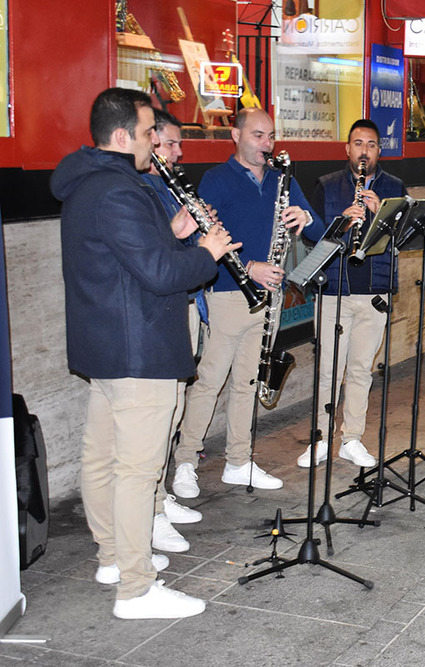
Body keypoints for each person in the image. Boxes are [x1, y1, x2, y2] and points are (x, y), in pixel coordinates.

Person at [52, 87, 236, 618]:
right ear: (120, 136)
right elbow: (158, 275)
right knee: (136, 470)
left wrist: (174, 232)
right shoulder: (120, 191)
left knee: (102, 457)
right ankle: (136, 588)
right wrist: (205, 252)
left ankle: (112, 557)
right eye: (149, 130)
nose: (156, 139)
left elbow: (131, 259)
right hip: (140, 352)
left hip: (106, 347)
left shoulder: (90, 185)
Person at [173, 108, 316, 497]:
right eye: (257, 136)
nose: (266, 145)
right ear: (235, 135)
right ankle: (185, 461)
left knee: (247, 382)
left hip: (268, 298)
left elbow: (316, 227)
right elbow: (196, 238)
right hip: (227, 293)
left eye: (270, 137)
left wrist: (304, 215)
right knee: (210, 381)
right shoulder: (216, 179)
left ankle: (239, 460)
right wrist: (248, 266)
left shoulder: (282, 178)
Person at [295, 119, 408, 468]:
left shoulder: (395, 187)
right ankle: (320, 439)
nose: (364, 151)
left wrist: (380, 216)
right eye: (358, 144)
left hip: (374, 290)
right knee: (328, 370)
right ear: (348, 149)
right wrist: (343, 221)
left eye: (371, 145)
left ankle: (351, 439)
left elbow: (403, 240)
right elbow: (311, 239)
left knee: (361, 370)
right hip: (335, 289)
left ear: (379, 150)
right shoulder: (327, 186)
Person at [138, 109, 204, 553]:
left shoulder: (165, 186)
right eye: (169, 143)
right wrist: (184, 233)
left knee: (176, 408)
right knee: (157, 418)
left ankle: (161, 496)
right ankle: (152, 510)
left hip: (185, 304)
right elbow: (153, 255)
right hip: (160, 313)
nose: (178, 153)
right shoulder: (141, 190)